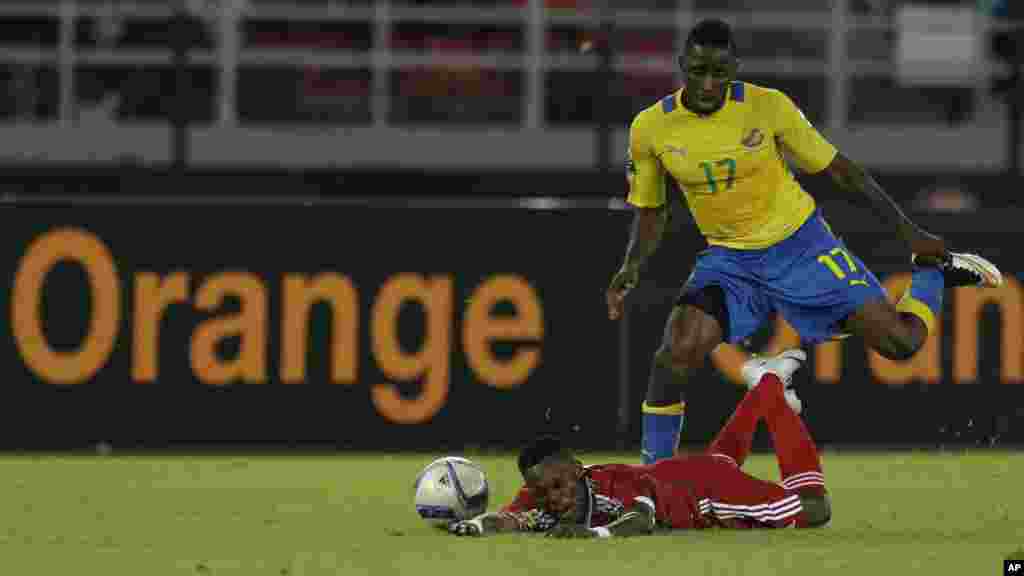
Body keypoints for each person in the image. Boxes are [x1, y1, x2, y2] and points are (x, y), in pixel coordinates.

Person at [605, 18, 1004, 465]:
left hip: (800, 245)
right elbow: (651, 209)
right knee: (674, 356)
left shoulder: (768, 106)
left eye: (720, 71)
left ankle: (932, 276)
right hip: (729, 260)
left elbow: (840, 170)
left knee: (900, 344)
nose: (709, 83)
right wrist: (632, 264)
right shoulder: (651, 128)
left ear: (734, 67)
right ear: (683, 66)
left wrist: (910, 233)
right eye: (699, 70)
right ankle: (655, 480)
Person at [448, 350, 831, 537]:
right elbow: (508, 518)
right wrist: (478, 525)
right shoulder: (540, 491)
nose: (555, 498)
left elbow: (641, 520)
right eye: (544, 491)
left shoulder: (613, 483)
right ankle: (765, 384)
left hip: (706, 493)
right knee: (722, 458)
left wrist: (596, 533)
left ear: (579, 471)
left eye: (559, 486)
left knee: (815, 510)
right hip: (688, 471)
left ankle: (772, 388)